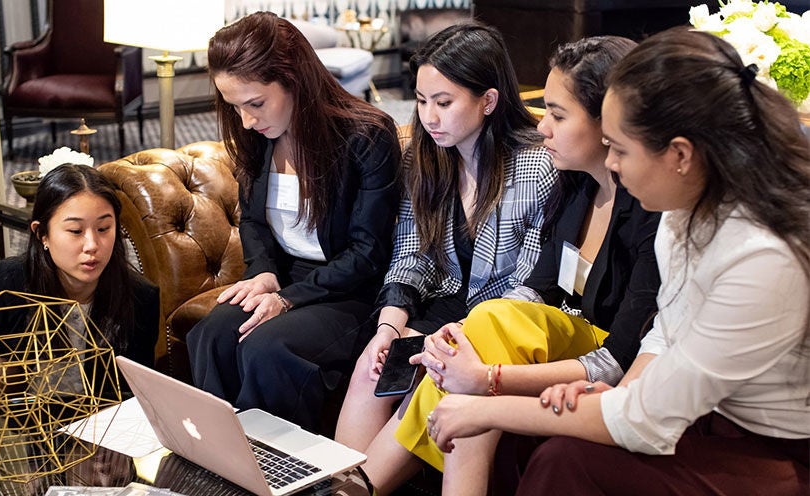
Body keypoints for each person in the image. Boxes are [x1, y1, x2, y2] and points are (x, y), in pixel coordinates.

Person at [424, 27, 810, 495]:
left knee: (564, 460)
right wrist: (620, 390)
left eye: (622, 149)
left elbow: (649, 421)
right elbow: (665, 333)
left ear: (680, 155)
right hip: (692, 412)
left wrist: (486, 400)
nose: (614, 165)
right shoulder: (681, 213)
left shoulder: (760, 255)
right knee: (524, 442)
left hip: (770, 449)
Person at [353, 36, 662, 495]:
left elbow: (620, 359)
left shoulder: (650, 210)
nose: (544, 128)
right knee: (467, 335)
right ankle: (351, 483)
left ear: (609, 121)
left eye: (558, 115)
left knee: (483, 342)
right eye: (421, 101)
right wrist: (465, 335)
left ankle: (358, 486)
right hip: (561, 337)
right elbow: (535, 289)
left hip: (621, 363)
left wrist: (487, 375)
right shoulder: (575, 186)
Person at [335, 22, 557, 459]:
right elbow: (410, 255)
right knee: (371, 366)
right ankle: (339, 486)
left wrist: (450, 341)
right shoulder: (426, 157)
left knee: (426, 376)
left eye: (443, 102)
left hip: (493, 325)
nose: (428, 117)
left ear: (488, 101)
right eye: (420, 100)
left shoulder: (536, 168)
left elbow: (530, 290)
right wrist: (389, 326)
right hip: (440, 304)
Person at [186, 12, 400, 431]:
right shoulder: (255, 133)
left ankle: (276, 469)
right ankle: (219, 455)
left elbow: (367, 253)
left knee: (267, 347)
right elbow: (252, 221)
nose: (246, 119)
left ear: (294, 80)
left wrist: (289, 298)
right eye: (235, 106)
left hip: (352, 292)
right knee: (213, 332)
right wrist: (264, 273)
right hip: (286, 275)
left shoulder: (368, 136)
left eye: (255, 103)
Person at [0, 164, 159, 400]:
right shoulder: (8, 285)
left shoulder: (140, 297)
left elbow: (137, 397)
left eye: (104, 228)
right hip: (16, 431)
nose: (92, 245)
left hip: (100, 429)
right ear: (42, 234)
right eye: (75, 230)